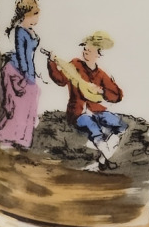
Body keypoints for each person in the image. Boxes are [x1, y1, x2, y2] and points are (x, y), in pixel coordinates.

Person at [44, 31, 127, 170]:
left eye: (90, 50)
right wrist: (51, 62)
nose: (86, 52)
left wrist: (101, 91)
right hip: (77, 111)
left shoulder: (101, 74)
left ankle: (102, 159)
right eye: (85, 49)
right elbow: (60, 80)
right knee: (94, 128)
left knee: (121, 126)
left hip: (96, 110)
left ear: (98, 54)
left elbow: (117, 95)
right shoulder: (75, 65)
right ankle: (108, 157)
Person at [0, 0, 41, 148]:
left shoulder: (30, 31)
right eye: (35, 14)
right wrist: (25, 75)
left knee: (31, 99)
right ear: (26, 15)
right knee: (20, 105)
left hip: (28, 71)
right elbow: (22, 55)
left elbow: (30, 53)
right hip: (17, 71)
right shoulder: (20, 31)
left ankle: (21, 138)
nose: (37, 18)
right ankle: (8, 136)